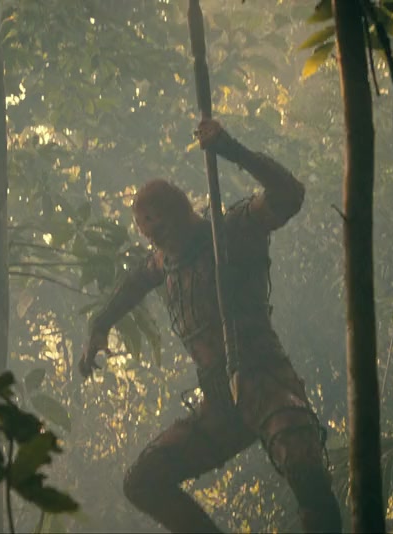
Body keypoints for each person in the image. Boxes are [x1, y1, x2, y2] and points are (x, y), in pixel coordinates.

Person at [80, 119, 342, 533]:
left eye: (159, 224)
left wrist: (230, 149)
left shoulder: (231, 231)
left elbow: (289, 194)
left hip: (265, 380)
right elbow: (135, 283)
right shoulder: (164, 262)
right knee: (143, 482)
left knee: (304, 467)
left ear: (181, 210)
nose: (155, 237)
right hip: (221, 401)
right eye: (147, 231)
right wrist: (100, 324)